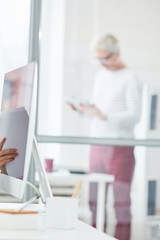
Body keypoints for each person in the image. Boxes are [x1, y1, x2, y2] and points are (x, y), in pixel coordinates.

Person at [69, 34, 143, 240]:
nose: (102, 64)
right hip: (98, 145)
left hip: (120, 147)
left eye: (105, 58)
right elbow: (98, 110)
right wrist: (82, 109)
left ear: (117, 53)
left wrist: (105, 116)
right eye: (98, 59)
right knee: (94, 202)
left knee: (121, 204)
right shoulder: (101, 76)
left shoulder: (131, 77)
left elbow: (135, 116)